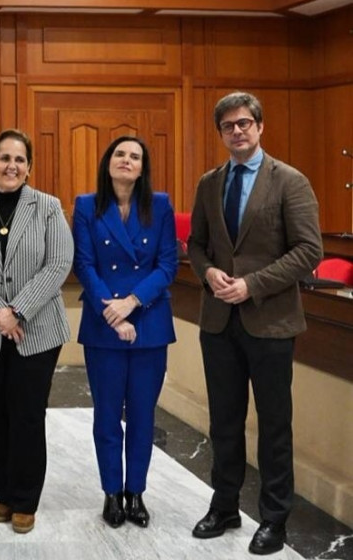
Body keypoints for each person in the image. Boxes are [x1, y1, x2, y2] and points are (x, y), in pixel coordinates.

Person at [187, 91, 322, 555]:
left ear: (260, 127)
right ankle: (224, 505)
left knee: (273, 425)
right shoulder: (209, 183)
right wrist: (206, 271)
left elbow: (309, 251)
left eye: (245, 123)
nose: (237, 131)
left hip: (271, 323)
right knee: (224, 421)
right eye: (228, 126)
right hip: (219, 322)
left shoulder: (290, 181)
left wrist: (252, 285)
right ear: (221, 133)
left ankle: (274, 518)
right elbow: (197, 243)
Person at [0, 129, 72, 535]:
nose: (11, 166)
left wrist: (18, 311)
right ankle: (3, 494)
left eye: (20, 159)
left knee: (27, 413)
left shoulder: (48, 207)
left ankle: (25, 499)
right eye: (4, 158)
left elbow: (59, 263)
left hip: (37, 330)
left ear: (29, 167)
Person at [72, 136, 177, 529]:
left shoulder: (160, 205)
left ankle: (136, 492)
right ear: (108, 161)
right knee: (105, 414)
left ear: (142, 166)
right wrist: (112, 312)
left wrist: (131, 303)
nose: (127, 160)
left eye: (135, 156)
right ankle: (112, 492)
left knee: (142, 415)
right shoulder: (86, 206)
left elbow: (167, 265)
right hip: (103, 324)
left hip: (149, 321)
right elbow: (84, 265)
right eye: (120, 154)